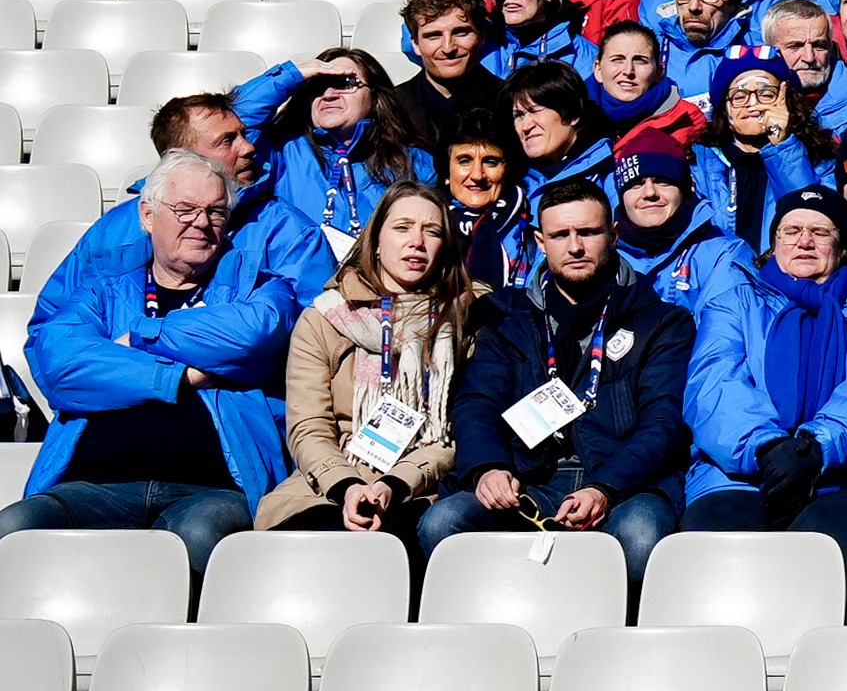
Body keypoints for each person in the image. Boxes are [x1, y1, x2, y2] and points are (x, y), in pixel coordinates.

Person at [0, 153, 294, 569]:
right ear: (147, 215)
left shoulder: (257, 286)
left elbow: (253, 334)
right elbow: (60, 364)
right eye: (185, 209)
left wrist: (142, 337)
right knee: (15, 527)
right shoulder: (103, 290)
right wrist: (180, 377)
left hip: (213, 487)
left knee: (196, 538)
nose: (201, 222)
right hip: (92, 485)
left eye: (215, 211)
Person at [420, 179, 691, 575]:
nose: (575, 246)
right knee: (443, 524)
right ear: (540, 241)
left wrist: (604, 488)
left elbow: (662, 423)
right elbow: (477, 403)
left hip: (624, 483)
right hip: (527, 478)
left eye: (588, 232)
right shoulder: (504, 317)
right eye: (560, 235)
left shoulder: (662, 322)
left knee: (640, 534)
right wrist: (488, 467)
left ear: (613, 234)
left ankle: (616, 634)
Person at [680, 186, 847, 569]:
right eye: (791, 231)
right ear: (774, 242)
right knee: (721, 560)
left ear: (842, 246)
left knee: (829, 560)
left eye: (821, 233)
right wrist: (767, 448)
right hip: (739, 473)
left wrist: (815, 448)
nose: (805, 242)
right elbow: (713, 383)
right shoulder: (733, 302)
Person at [258, 184, 478, 537]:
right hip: (331, 481)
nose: (417, 242)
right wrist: (347, 486)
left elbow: (455, 433)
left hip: (421, 484)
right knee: (308, 539)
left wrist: (396, 483)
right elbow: (308, 426)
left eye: (432, 231)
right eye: (402, 227)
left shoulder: (464, 319)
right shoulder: (324, 317)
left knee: (403, 537)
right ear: (375, 241)